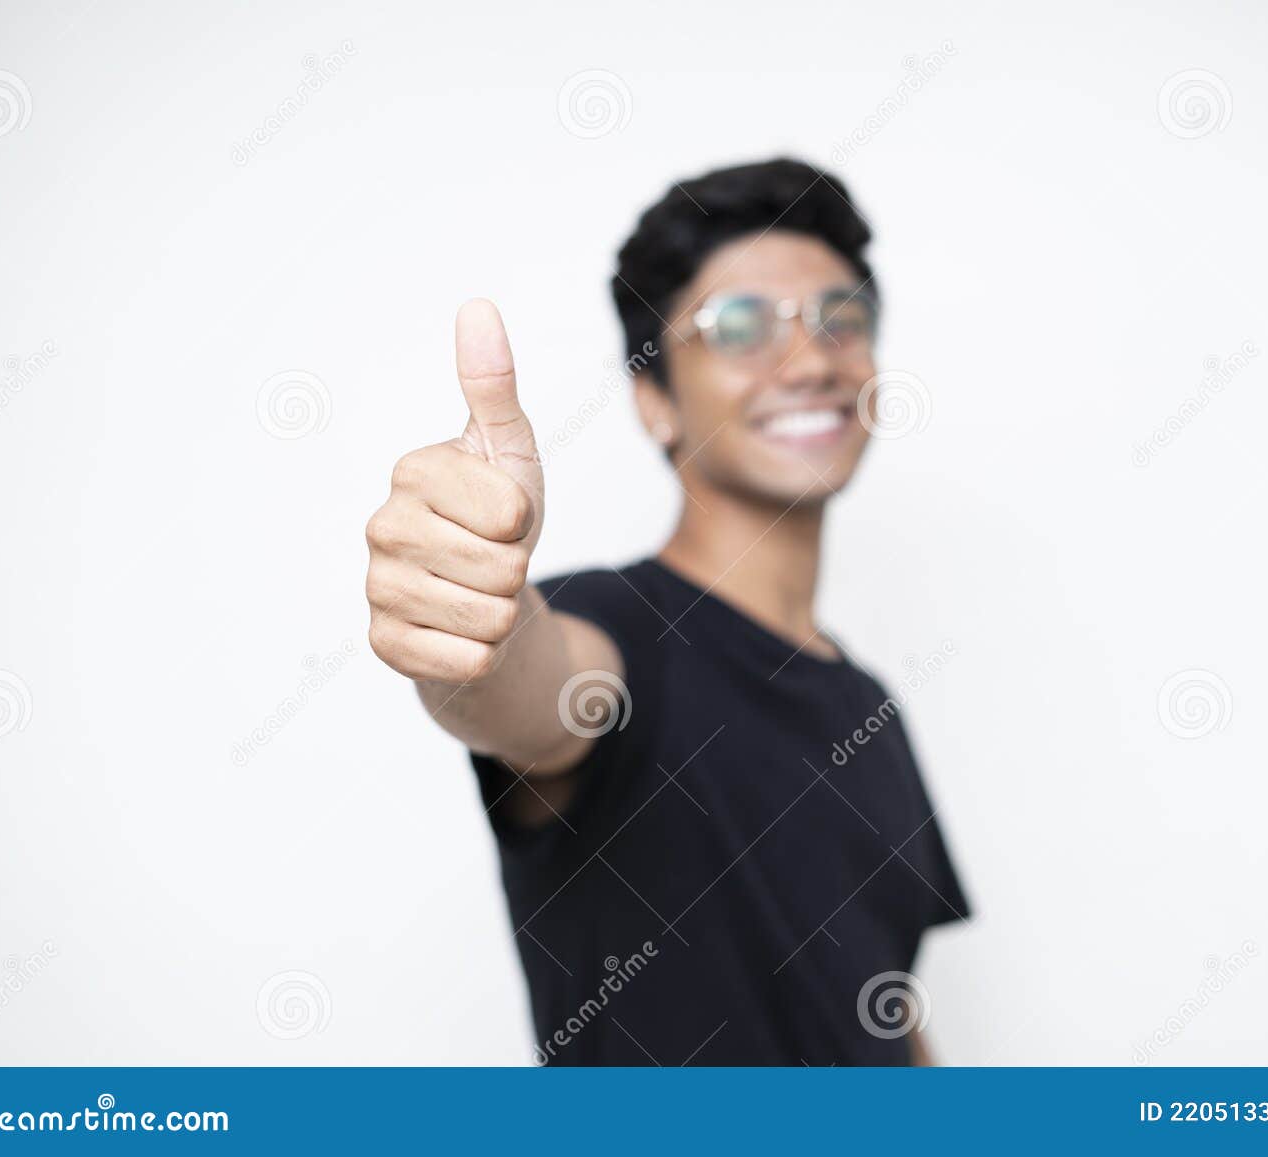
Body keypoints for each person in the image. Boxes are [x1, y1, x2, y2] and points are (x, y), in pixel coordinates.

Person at [364, 158, 969, 1065]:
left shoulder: (871, 709)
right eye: (739, 325)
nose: (811, 359)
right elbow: (532, 691)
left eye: (841, 317)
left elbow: (890, 1016)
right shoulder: (611, 624)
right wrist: (479, 623)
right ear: (655, 399)